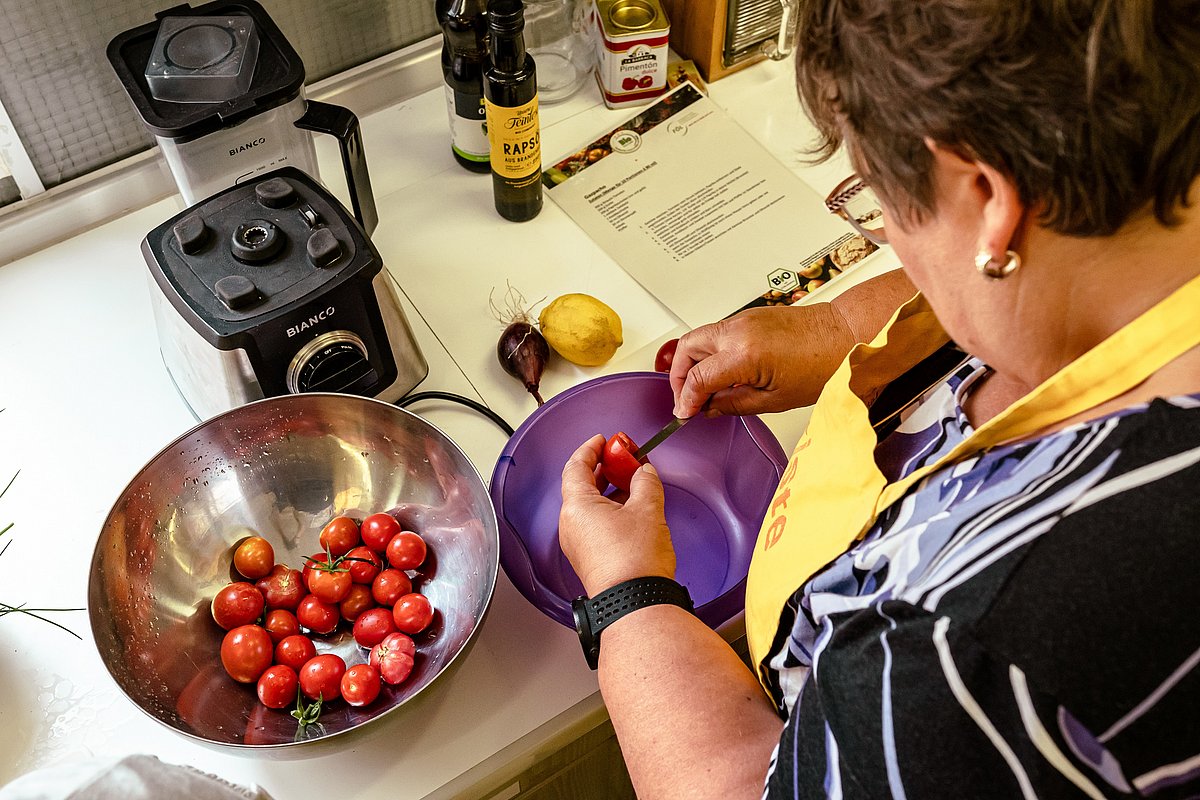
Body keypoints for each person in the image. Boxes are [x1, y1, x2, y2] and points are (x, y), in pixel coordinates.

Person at [557, 1, 1200, 797]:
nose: (887, 235)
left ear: (990, 200)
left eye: (879, 200)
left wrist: (629, 595)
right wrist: (834, 329)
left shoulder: (964, 648)